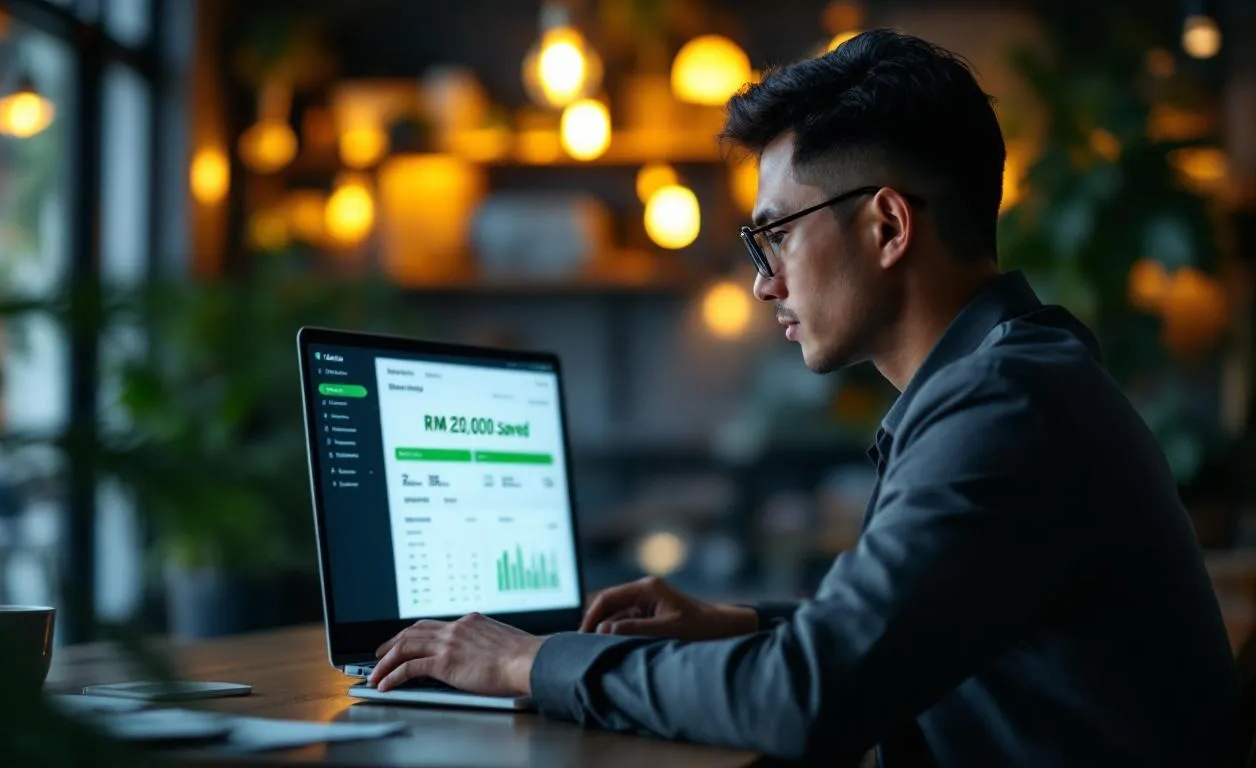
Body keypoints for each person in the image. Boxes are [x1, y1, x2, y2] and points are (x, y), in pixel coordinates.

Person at [364, 29, 1241, 766]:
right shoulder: (1015, 377)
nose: (763, 284)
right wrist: (737, 623)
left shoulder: (1003, 410)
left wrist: (529, 662)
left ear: (888, 225)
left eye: (774, 234)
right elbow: (921, 629)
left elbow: (809, 698)